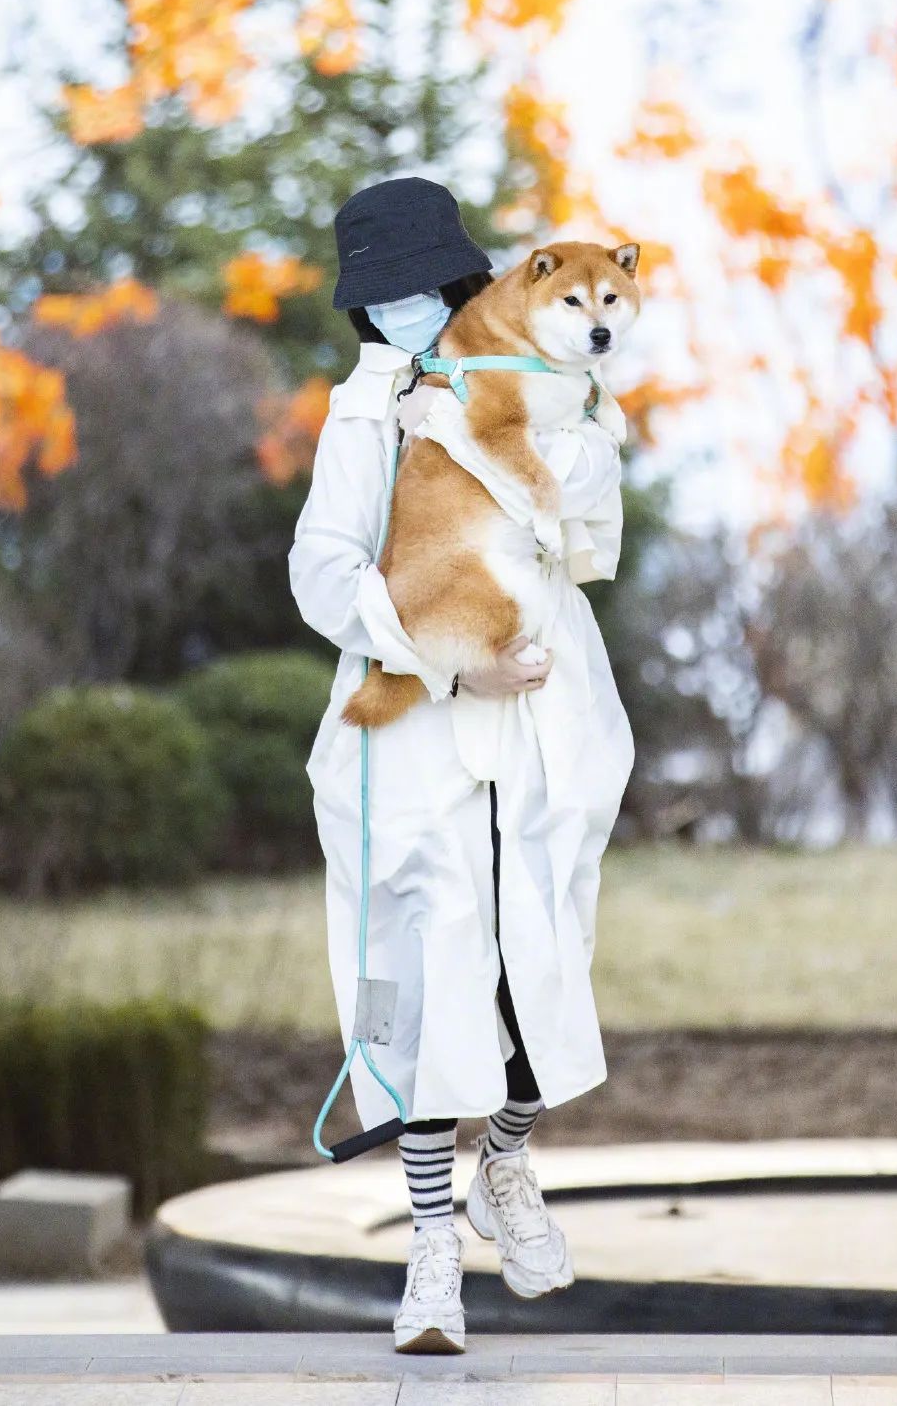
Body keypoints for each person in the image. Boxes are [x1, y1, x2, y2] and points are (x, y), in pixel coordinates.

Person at [288, 175, 635, 1354]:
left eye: (418, 291)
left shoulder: (535, 379)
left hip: (544, 731)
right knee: (432, 985)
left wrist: (555, 427)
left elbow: (587, 534)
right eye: (376, 300)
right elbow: (323, 571)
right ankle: (431, 1249)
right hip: (422, 736)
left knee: (543, 965)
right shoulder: (363, 413)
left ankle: (512, 1163)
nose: (402, 316)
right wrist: (442, 664)